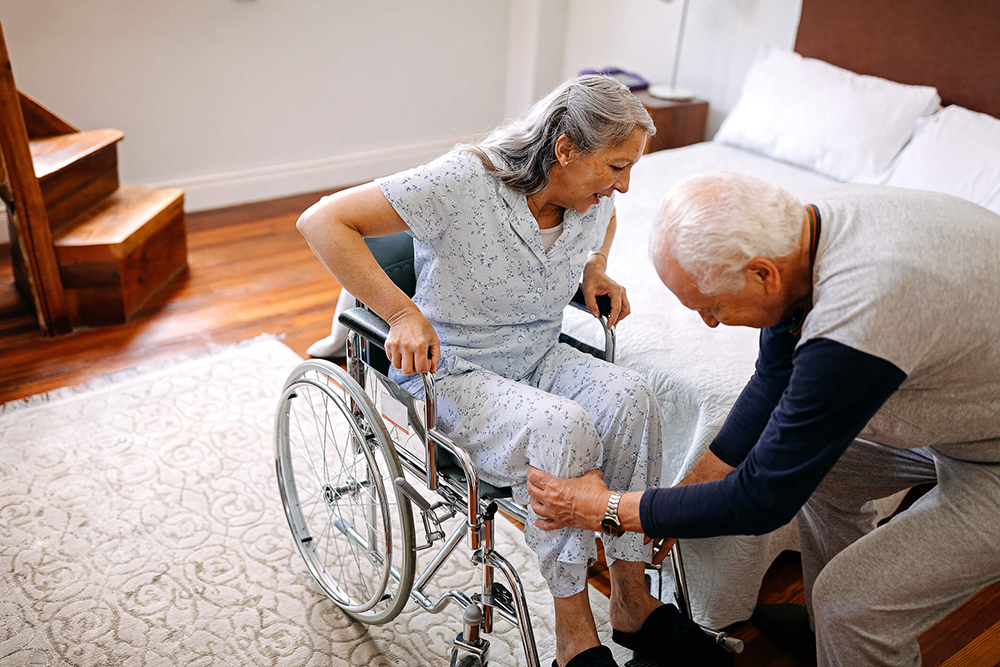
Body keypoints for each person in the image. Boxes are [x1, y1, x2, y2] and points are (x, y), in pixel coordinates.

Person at [297, 76, 726, 667]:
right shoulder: (464, 181)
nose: (624, 186)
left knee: (633, 395)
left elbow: (604, 223)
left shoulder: (588, 199)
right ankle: (574, 632)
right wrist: (401, 312)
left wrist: (593, 269)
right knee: (565, 426)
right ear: (566, 149)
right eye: (616, 167)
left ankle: (632, 599)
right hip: (453, 374)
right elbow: (321, 221)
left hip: (538, 356)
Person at [527, 171, 1000, 666]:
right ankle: (830, 639)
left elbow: (763, 498)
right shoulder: (800, 233)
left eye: (711, 307)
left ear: (763, 275)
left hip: (990, 456)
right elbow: (774, 377)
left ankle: (846, 627)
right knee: (827, 473)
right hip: (966, 407)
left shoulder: (859, 312)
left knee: (852, 604)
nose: (710, 322)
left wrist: (605, 508)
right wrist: (694, 484)